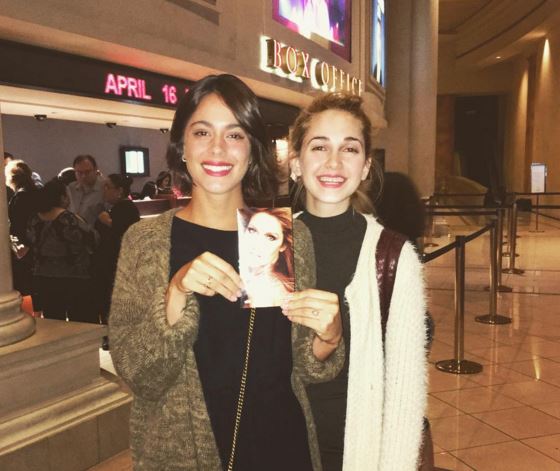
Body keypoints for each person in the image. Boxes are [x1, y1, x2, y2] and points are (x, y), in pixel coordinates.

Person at [109, 74, 344, 471]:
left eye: (235, 135)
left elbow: (301, 366)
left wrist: (330, 337)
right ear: (182, 146)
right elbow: (139, 375)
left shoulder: (287, 235)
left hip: (282, 446)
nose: (217, 148)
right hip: (185, 453)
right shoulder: (145, 242)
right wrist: (175, 292)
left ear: (252, 150)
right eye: (202, 132)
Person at [288, 92, 428, 470]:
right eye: (319, 146)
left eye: (349, 149)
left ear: (366, 166)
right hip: (276, 441)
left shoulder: (393, 256)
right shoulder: (267, 243)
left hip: (352, 449)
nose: (333, 161)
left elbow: (404, 391)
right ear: (296, 163)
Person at [27, 178, 98, 322]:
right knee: (80, 319)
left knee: (54, 320)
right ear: (61, 197)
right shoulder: (69, 219)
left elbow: (30, 241)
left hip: (44, 275)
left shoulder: (35, 219)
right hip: (73, 274)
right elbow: (92, 239)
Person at [94, 174, 140, 323]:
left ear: (119, 190)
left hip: (117, 261)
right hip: (110, 261)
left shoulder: (127, 208)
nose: (104, 191)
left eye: (108, 187)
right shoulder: (115, 207)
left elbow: (123, 232)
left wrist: (106, 221)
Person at [238, 207, 294, 308]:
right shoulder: (251, 280)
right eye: (252, 230)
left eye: (270, 237)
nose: (256, 243)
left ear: (283, 246)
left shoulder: (264, 291)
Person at [5, 159, 39, 295]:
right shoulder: (37, 192)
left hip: (24, 249)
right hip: (38, 248)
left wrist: (17, 247)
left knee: (24, 288)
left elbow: (16, 226)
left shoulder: (19, 197)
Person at [67, 154, 105, 227]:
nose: (83, 176)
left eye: (87, 172)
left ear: (95, 170)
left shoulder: (105, 189)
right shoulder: (70, 188)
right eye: (79, 172)